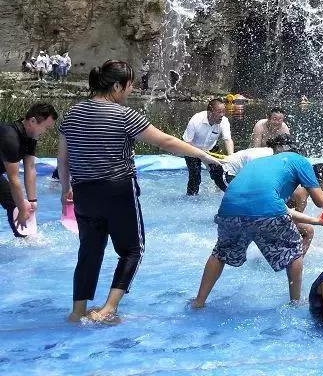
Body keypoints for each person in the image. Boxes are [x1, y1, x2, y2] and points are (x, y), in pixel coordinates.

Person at [57, 60, 221, 324]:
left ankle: (77, 312)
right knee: (132, 249)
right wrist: (203, 155)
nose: (131, 90)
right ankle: (108, 309)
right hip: (117, 190)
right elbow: (166, 141)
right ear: (117, 86)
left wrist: (66, 188)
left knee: (89, 250)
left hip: (83, 192)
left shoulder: (72, 113)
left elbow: (63, 157)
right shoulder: (124, 115)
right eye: (129, 85)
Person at [192, 135, 323, 308]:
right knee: (295, 250)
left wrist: (316, 221)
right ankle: (295, 302)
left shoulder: (260, 163)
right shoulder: (301, 161)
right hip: (267, 211)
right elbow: (320, 201)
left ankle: (199, 302)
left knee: (219, 253)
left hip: (229, 209)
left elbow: (281, 209)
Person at [1, 103, 58, 237]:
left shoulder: (30, 137)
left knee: (15, 202)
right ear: (32, 121)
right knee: (18, 204)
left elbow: (30, 168)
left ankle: (23, 238)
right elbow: (14, 179)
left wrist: (32, 201)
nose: (46, 132)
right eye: (46, 127)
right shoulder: (10, 137)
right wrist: (22, 209)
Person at [182, 99, 234, 194]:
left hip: (210, 148)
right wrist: (201, 155)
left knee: (219, 174)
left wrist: (231, 156)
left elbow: (227, 140)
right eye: (219, 112)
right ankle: (191, 198)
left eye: (224, 111)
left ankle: (224, 195)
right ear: (210, 112)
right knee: (195, 177)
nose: (222, 115)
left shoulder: (224, 121)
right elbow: (187, 143)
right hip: (192, 150)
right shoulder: (196, 120)